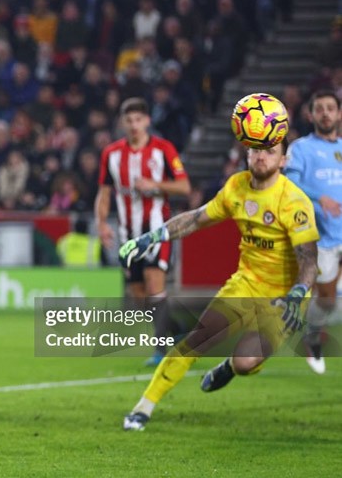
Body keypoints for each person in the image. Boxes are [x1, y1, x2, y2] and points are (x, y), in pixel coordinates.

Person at [121, 137, 319, 431]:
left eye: (270, 151)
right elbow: (196, 219)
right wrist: (153, 237)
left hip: (284, 299)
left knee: (245, 363)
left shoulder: (294, 202)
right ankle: (143, 407)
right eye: (255, 150)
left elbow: (309, 260)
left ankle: (229, 366)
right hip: (245, 285)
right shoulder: (236, 187)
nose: (261, 157)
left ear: (283, 160)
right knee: (196, 341)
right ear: (247, 153)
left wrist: (298, 293)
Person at [95, 97, 191, 366]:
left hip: (158, 231)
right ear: (123, 123)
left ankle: (160, 350)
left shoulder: (164, 149)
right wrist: (101, 223)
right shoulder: (111, 154)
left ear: (147, 121)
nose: (134, 125)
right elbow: (104, 193)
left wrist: (155, 184)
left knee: (153, 284)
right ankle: (179, 328)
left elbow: (184, 187)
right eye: (129, 120)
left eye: (139, 119)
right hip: (128, 234)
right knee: (139, 296)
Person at [284, 89, 342, 374]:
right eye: (319, 108)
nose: (325, 113)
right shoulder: (301, 148)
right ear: (310, 114)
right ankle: (312, 333)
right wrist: (321, 199)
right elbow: (290, 185)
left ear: (339, 113)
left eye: (331, 108)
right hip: (321, 238)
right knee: (328, 301)